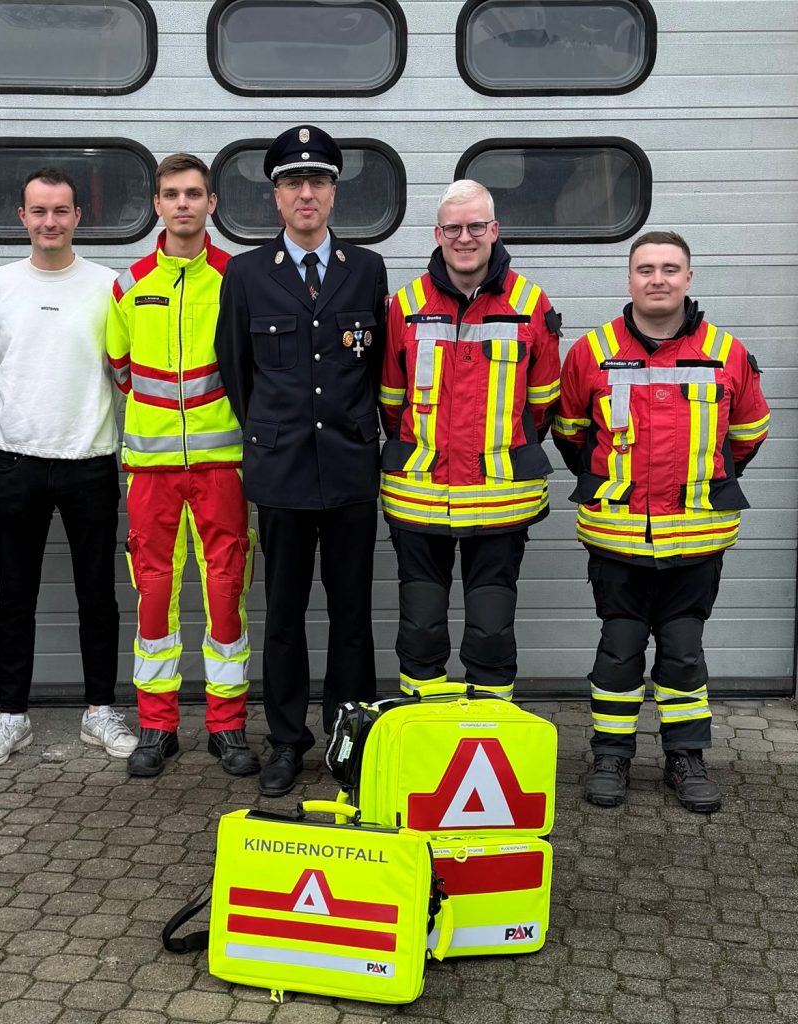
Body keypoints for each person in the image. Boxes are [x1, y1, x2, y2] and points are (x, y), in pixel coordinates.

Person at [553, 230, 770, 813]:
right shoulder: (591, 352)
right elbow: (571, 432)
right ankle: (611, 756)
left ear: (689, 279)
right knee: (619, 650)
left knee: (682, 652)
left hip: (697, 539)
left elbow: (748, 434)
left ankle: (686, 756)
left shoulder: (726, 353)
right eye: (646, 268)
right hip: (616, 538)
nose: (658, 279)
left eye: (670, 269)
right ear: (630, 279)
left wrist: (703, 480)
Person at [215, 125, 388, 797]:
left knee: (352, 619)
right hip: (282, 472)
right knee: (283, 619)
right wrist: (275, 431)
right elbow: (238, 369)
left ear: (334, 192)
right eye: (293, 183)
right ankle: (287, 741)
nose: (306, 193)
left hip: (348, 472)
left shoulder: (364, 270)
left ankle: (352, 745)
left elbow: (377, 369)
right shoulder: (248, 273)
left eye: (317, 181)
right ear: (276, 197)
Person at [0, 167, 137, 769]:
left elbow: (120, 369)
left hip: (89, 458)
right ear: (21, 217)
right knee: (15, 595)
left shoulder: (108, 285)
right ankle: (12, 715)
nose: (50, 222)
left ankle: (99, 711)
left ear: (77, 217)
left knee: (98, 595)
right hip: (16, 459)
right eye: (38, 211)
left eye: (61, 211)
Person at [379, 180, 562, 701]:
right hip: (419, 496)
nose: (465, 237)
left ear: (494, 230)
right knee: (420, 629)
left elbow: (542, 403)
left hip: (502, 499)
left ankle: (489, 736)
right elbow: (391, 401)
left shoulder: (531, 302)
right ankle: (427, 732)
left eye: (475, 226)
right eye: (454, 228)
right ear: (438, 234)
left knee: (490, 630)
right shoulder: (406, 303)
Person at [106, 153, 257, 778]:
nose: (184, 204)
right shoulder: (129, 285)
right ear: (157, 204)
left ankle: (227, 727)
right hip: (151, 472)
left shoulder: (238, 278)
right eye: (172, 194)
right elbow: (119, 368)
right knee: (154, 600)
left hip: (223, 465)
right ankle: (156, 727)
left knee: (227, 597)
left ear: (212, 203)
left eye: (194, 193)